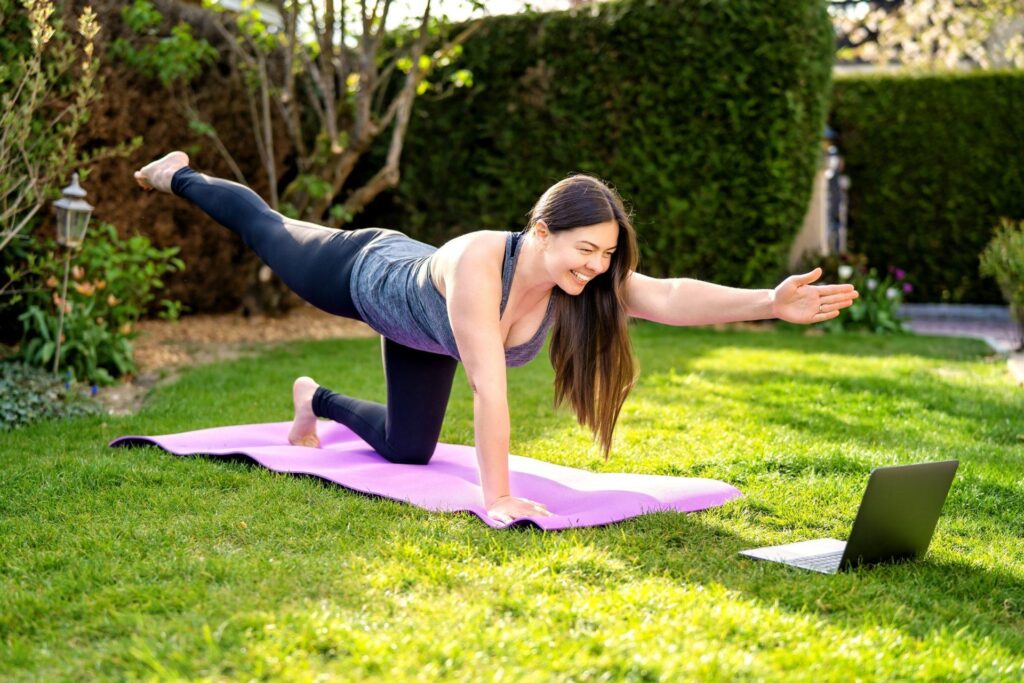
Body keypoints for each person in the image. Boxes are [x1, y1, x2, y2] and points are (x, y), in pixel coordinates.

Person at [135, 152, 859, 525]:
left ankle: (313, 397)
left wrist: (769, 300)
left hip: (422, 334)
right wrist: (499, 494)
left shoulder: (583, 280)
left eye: (607, 255)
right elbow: (488, 385)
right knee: (267, 228)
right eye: (586, 249)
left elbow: (666, 294)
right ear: (543, 231)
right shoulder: (485, 262)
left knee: (410, 449)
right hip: (364, 271)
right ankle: (181, 174)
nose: (597, 266)